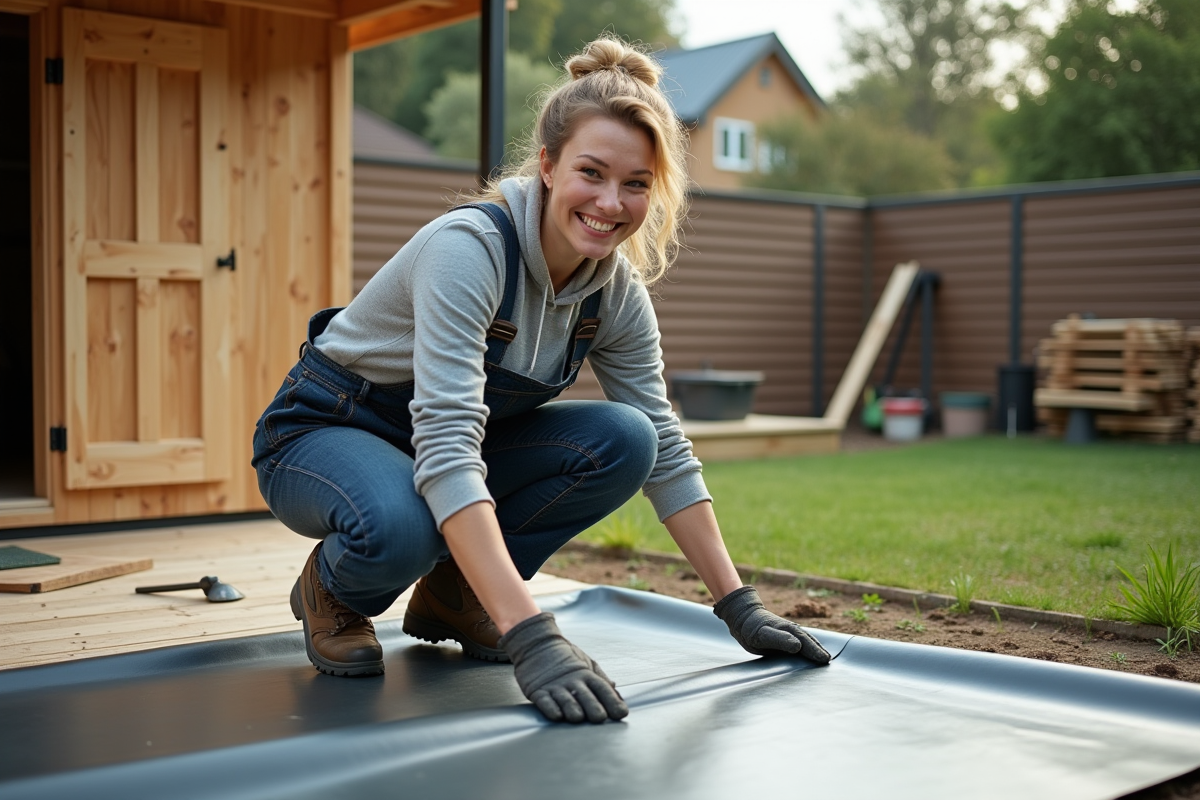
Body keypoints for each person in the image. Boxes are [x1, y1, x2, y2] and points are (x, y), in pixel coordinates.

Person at [251, 36, 830, 725]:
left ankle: (457, 596)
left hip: (430, 449)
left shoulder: (614, 293)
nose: (611, 203)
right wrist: (532, 634)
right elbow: (446, 447)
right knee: (400, 526)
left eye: (637, 184)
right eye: (593, 172)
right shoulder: (467, 252)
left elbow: (667, 451)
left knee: (626, 438)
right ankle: (333, 592)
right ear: (549, 166)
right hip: (326, 431)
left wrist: (738, 606)